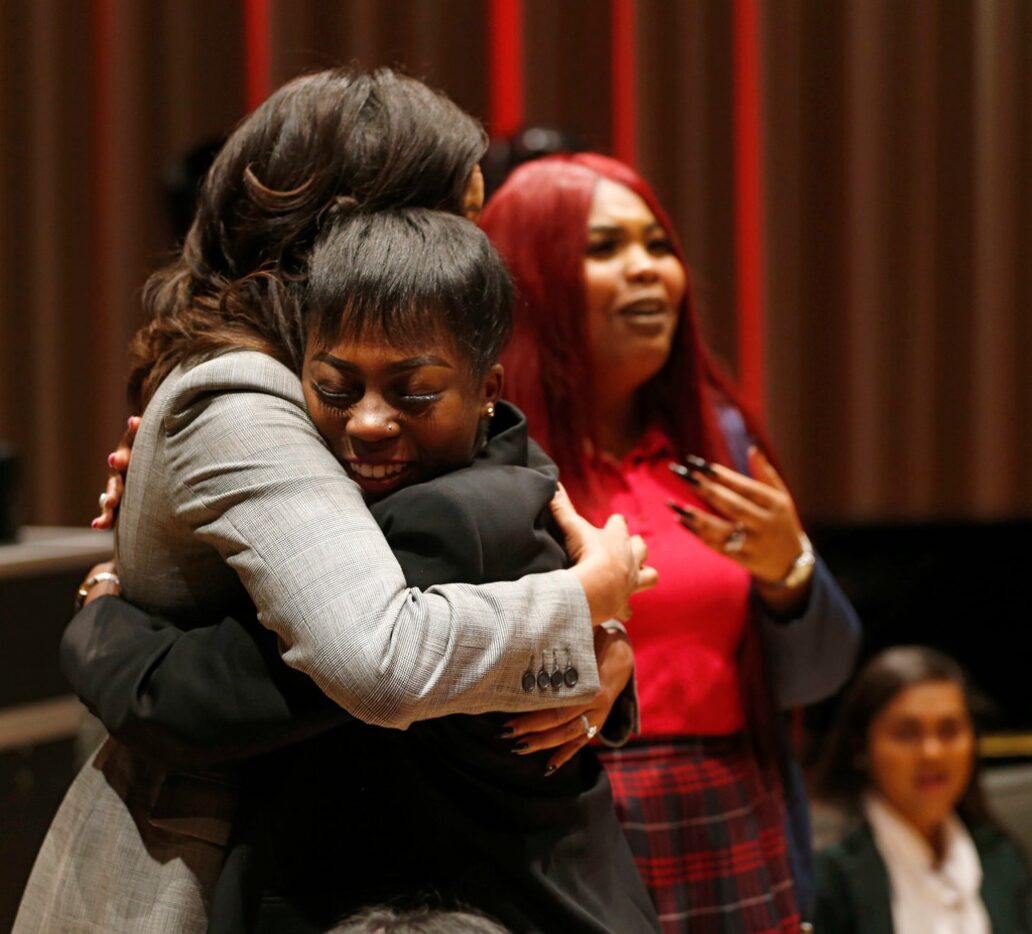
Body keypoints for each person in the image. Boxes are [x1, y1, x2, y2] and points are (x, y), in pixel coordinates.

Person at [15, 71, 651, 933]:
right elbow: (376, 661)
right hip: (215, 853)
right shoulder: (245, 393)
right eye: (453, 215)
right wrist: (584, 604)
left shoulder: (366, 400)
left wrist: (596, 640)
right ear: (358, 227)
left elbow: (486, 544)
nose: (470, 245)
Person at [479, 153, 862, 933]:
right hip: (569, 816)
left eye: (658, 245)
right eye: (605, 249)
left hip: (732, 809)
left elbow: (816, 676)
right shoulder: (493, 463)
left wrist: (790, 571)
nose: (648, 270)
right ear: (532, 280)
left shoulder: (716, 439)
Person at [811, 646, 1032, 934]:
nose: (932, 753)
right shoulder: (826, 873)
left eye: (949, 730)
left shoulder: (1001, 855)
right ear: (861, 746)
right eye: (907, 733)